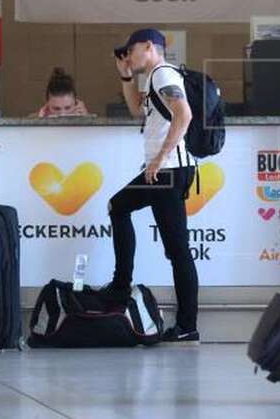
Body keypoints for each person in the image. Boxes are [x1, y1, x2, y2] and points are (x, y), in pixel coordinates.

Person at [101, 28, 199, 344]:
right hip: (168, 171)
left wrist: (158, 159)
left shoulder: (162, 74)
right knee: (120, 207)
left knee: (178, 250)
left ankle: (186, 325)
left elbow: (184, 115)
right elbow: (135, 111)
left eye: (130, 52)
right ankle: (123, 284)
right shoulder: (155, 77)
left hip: (167, 171)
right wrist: (126, 76)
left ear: (148, 47)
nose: (128, 57)